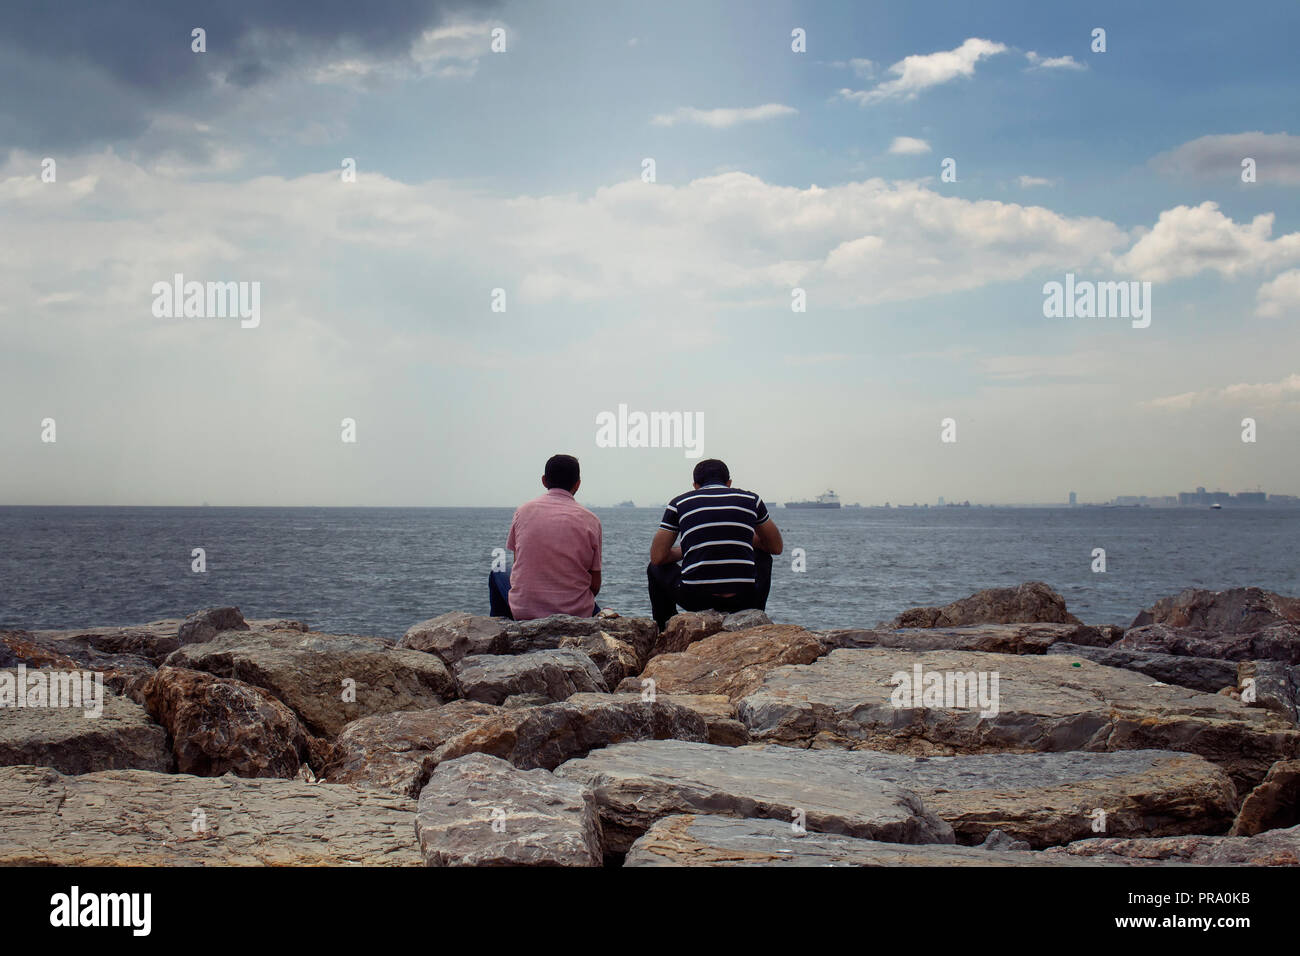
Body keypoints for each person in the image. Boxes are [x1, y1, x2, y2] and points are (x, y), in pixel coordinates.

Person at [646, 458, 782, 630]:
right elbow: (776, 547)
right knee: (763, 557)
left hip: (696, 599)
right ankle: (754, 617)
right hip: (744, 599)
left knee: (655, 568)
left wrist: (690, 548)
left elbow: (657, 557)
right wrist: (741, 534)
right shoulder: (751, 500)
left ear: (695, 485)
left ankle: (664, 627)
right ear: (729, 483)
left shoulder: (679, 504)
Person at [489, 454, 602, 620]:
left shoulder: (523, 511)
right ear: (577, 484)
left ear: (544, 480)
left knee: (498, 570)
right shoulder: (591, 520)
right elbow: (595, 585)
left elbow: (517, 566)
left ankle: (501, 630)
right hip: (575, 613)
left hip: (526, 612)